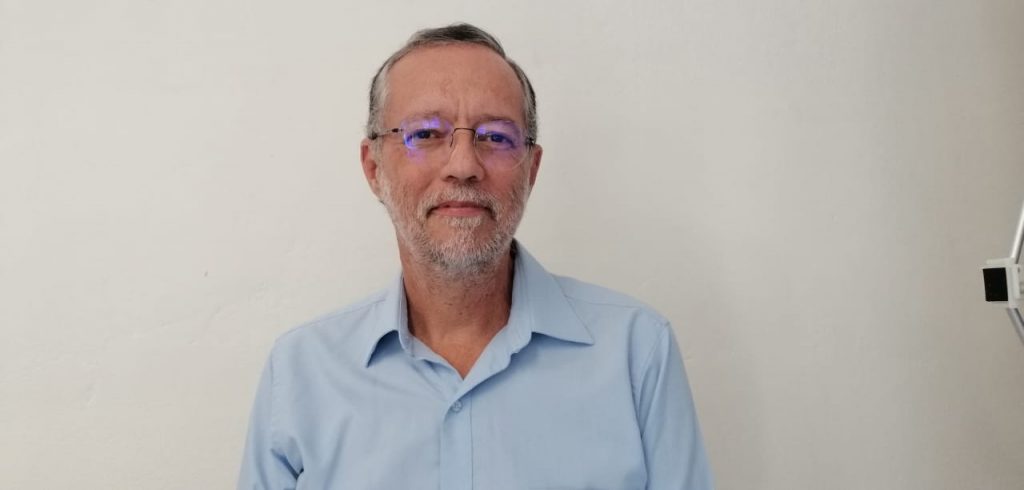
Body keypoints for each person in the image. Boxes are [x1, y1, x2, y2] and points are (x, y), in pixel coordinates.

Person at [238, 23, 713, 490]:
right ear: (373, 167)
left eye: (495, 137)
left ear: (531, 170)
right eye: (426, 133)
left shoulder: (637, 353)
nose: (463, 165)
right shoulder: (301, 373)